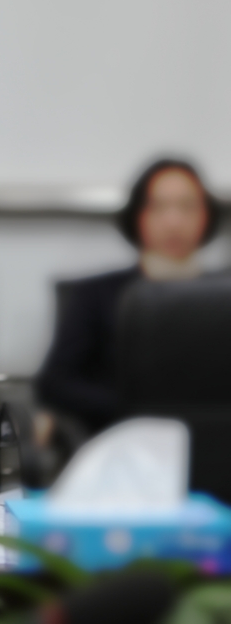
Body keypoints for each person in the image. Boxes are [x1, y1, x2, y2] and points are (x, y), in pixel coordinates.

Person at [36, 158, 221, 434]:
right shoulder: (95, 295)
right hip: (123, 434)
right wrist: (136, 409)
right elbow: (55, 383)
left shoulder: (223, 295)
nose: (174, 221)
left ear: (207, 216)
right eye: (158, 207)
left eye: (187, 206)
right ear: (137, 216)